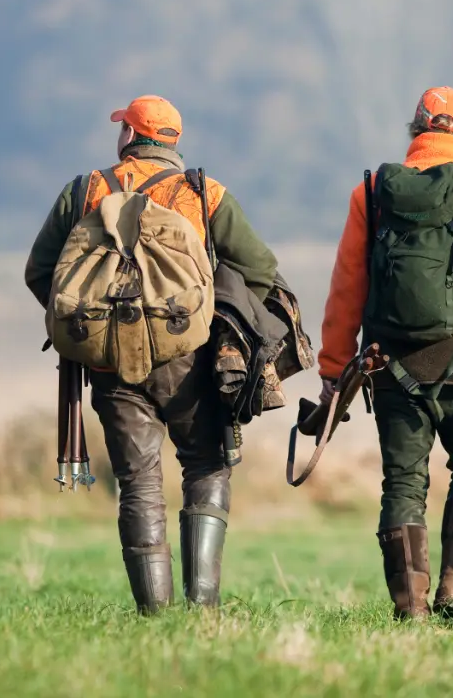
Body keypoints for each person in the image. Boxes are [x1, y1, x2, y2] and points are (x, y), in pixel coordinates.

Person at [24, 95, 278, 613]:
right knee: (206, 465)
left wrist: (90, 328)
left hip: (108, 364)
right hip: (191, 361)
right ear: (173, 142)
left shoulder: (84, 191)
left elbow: (39, 273)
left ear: (129, 137)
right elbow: (261, 268)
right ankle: (202, 605)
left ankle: (155, 613)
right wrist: (212, 312)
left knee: (137, 482)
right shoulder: (204, 194)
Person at [318, 87, 453, 619]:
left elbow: (348, 286)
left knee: (403, 481)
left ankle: (409, 604)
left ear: (416, 132)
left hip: (391, 369)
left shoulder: (369, 194)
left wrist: (330, 370)